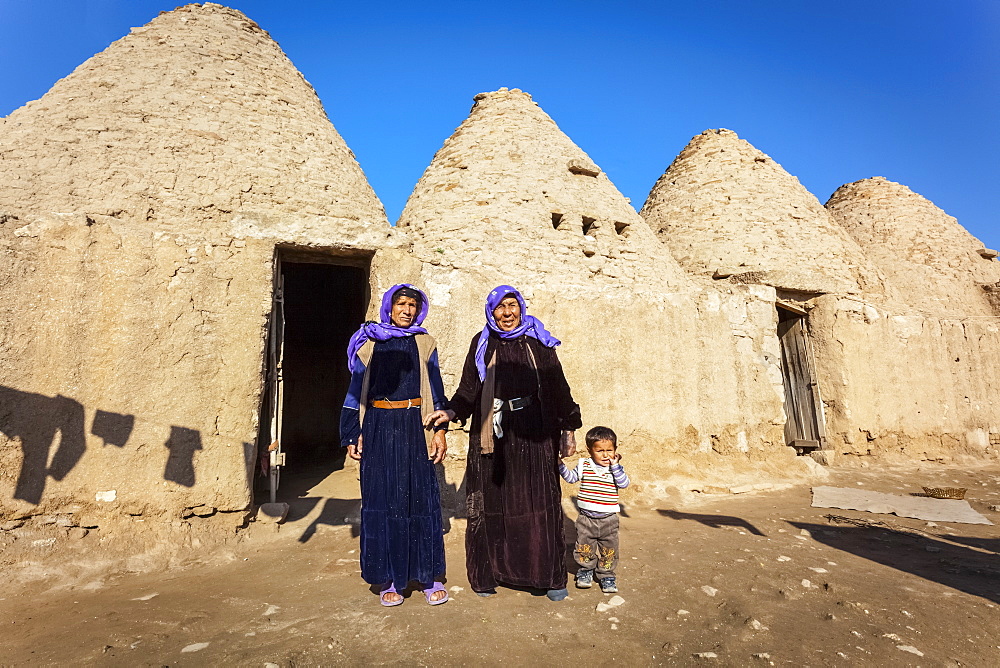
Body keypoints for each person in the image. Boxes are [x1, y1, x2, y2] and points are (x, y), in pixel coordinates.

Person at [426, 285, 582, 601]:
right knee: (493, 501)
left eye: (512, 305)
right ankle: (491, 574)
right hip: (491, 432)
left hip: (536, 430)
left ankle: (547, 577)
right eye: (501, 307)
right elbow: (469, 390)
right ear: (491, 311)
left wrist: (569, 428)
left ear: (521, 308)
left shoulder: (539, 340)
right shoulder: (482, 343)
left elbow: (558, 387)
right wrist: (451, 411)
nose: (507, 313)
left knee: (539, 503)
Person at [341, 284, 449, 607]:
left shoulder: (425, 343)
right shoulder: (370, 343)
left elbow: (437, 390)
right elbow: (354, 390)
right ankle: (388, 577)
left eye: (412, 305)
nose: (407, 310)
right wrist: (351, 432)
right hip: (378, 427)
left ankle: (427, 576)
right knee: (383, 500)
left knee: (421, 499)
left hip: (415, 426)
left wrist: (439, 431)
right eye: (401, 304)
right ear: (389, 307)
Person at [559, 425, 630, 593]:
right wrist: (560, 464)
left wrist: (615, 466)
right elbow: (570, 478)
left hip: (609, 520)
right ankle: (585, 571)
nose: (605, 454)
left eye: (609, 450)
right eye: (600, 451)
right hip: (586, 518)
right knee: (584, 547)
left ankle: (607, 575)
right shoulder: (584, 465)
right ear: (590, 450)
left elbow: (624, 483)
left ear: (615, 450)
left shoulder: (615, 469)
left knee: (609, 549)